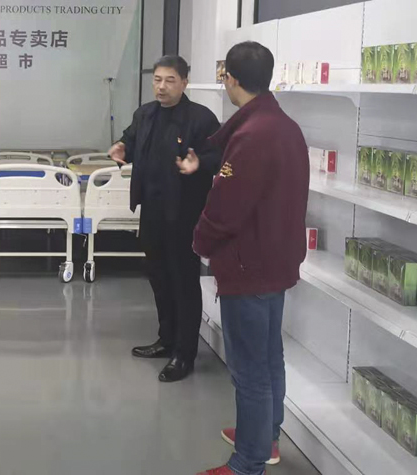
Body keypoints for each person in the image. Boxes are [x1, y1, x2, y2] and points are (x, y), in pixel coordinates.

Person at [193, 42, 310, 475]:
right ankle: (267, 437)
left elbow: (226, 207)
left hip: (249, 264)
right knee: (269, 355)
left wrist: (201, 241)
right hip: (276, 260)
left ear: (231, 79)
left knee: (249, 369)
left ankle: (248, 462)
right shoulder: (285, 126)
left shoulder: (251, 135)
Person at [108, 55, 221, 383]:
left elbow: (218, 155)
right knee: (158, 277)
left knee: (183, 282)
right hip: (152, 210)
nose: (161, 86)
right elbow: (130, 140)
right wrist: (120, 148)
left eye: (170, 80)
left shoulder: (201, 118)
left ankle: (185, 354)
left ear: (184, 82)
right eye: (157, 79)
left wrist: (199, 164)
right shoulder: (145, 114)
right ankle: (166, 339)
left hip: (185, 213)